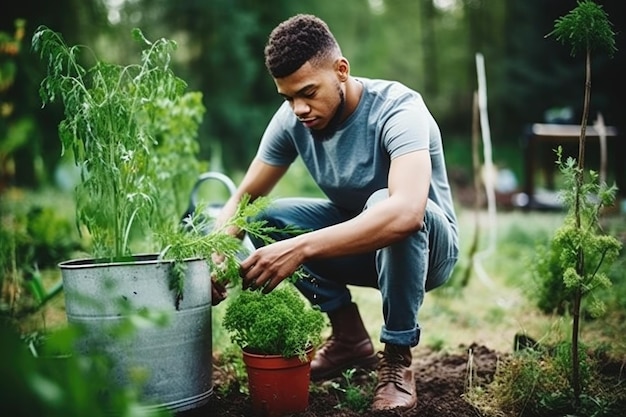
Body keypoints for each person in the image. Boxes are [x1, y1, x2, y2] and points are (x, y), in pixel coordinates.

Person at [211, 13, 459, 412]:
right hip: (358, 246)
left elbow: (408, 213)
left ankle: (397, 360)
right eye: (288, 97)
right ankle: (348, 339)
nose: (299, 108)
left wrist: (301, 249)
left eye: (308, 92)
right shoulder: (292, 119)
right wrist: (218, 260)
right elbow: (243, 199)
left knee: (386, 203)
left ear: (341, 70)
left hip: (428, 249)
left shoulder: (399, 110)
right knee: (262, 217)